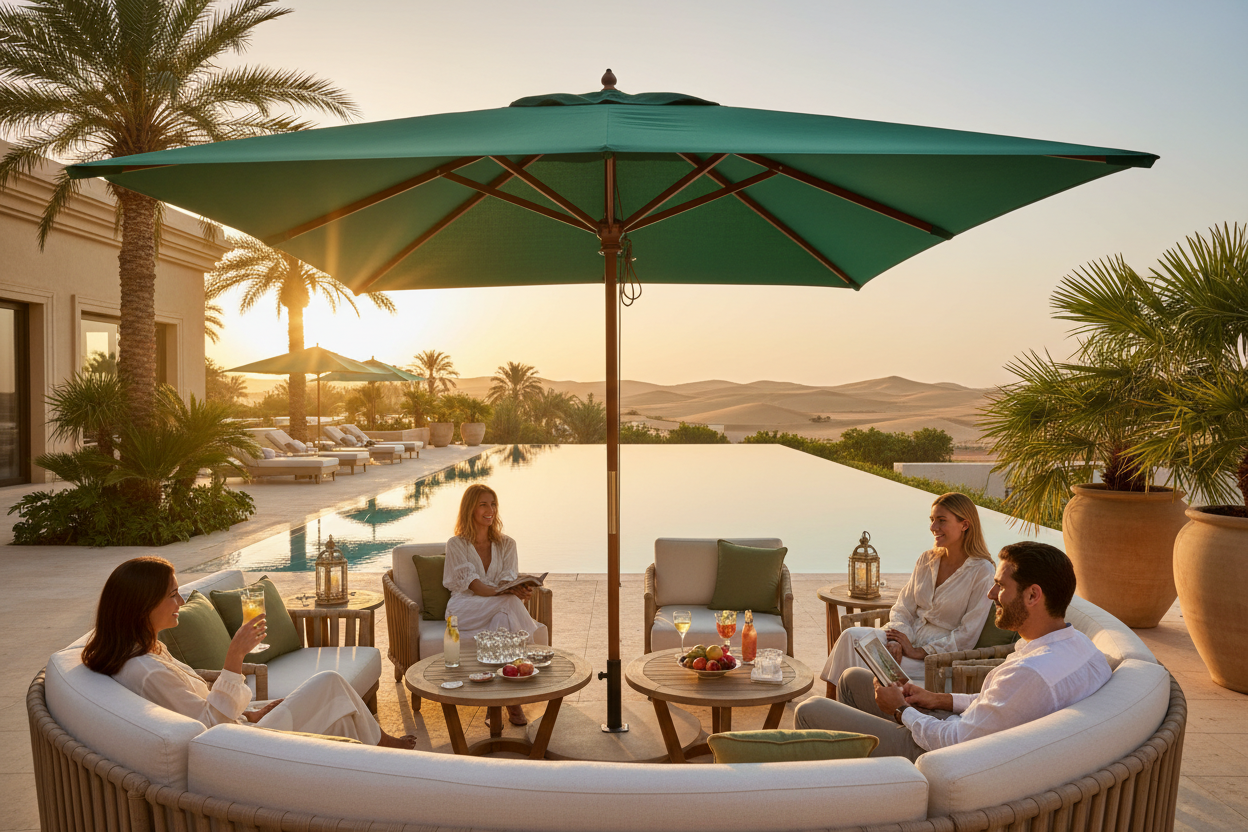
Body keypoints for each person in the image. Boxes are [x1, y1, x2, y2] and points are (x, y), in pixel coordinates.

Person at [794, 541, 1112, 760]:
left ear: (1033, 596)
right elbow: (1004, 705)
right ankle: (868, 775)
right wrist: (939, 698)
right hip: (961, 728)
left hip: (937, 754)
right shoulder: (1078, 647)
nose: (991, 594)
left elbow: (954, 741)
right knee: (851, 678)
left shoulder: (1032, 675)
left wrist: (902, 711)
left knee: (809, 712)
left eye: (1001, 586)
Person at [82, 557, 416, 748]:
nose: (181, 603)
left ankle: (371, 759)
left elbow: (202, 710)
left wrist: (251, 711)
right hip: (243, 746)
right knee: (329, 683)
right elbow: (210, 725)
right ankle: (383, 749)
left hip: (243, 728)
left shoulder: (147, 652)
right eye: (172, 595)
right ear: (142, 605)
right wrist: (234, 658)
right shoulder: (148, 672)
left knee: (338, 713)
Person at [822, 493, 996, 698]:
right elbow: (903, 607)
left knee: (867, 659)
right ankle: (833, 702)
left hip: (936, 659)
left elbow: (968, 635)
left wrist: (919, 652)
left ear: (964, 524)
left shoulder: (982, 571)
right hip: (905, 639)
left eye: (941, 521)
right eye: (932, 520)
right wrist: (897, 640)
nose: (933, 528)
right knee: (851, 637)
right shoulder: (927, 559)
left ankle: (855, 709)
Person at [445, 483, 544, 725]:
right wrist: (509, 594)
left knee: (503, 618)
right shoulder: (456, 544)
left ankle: (500, 702)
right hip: (463, 609)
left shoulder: (507, 544)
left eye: (493, 504)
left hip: (497, 607)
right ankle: (530, 656)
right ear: (470, 509)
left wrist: (518, 589)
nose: (490, 510)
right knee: (508, 603)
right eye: (483, 505)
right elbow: (476, 587)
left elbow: (506, 582)